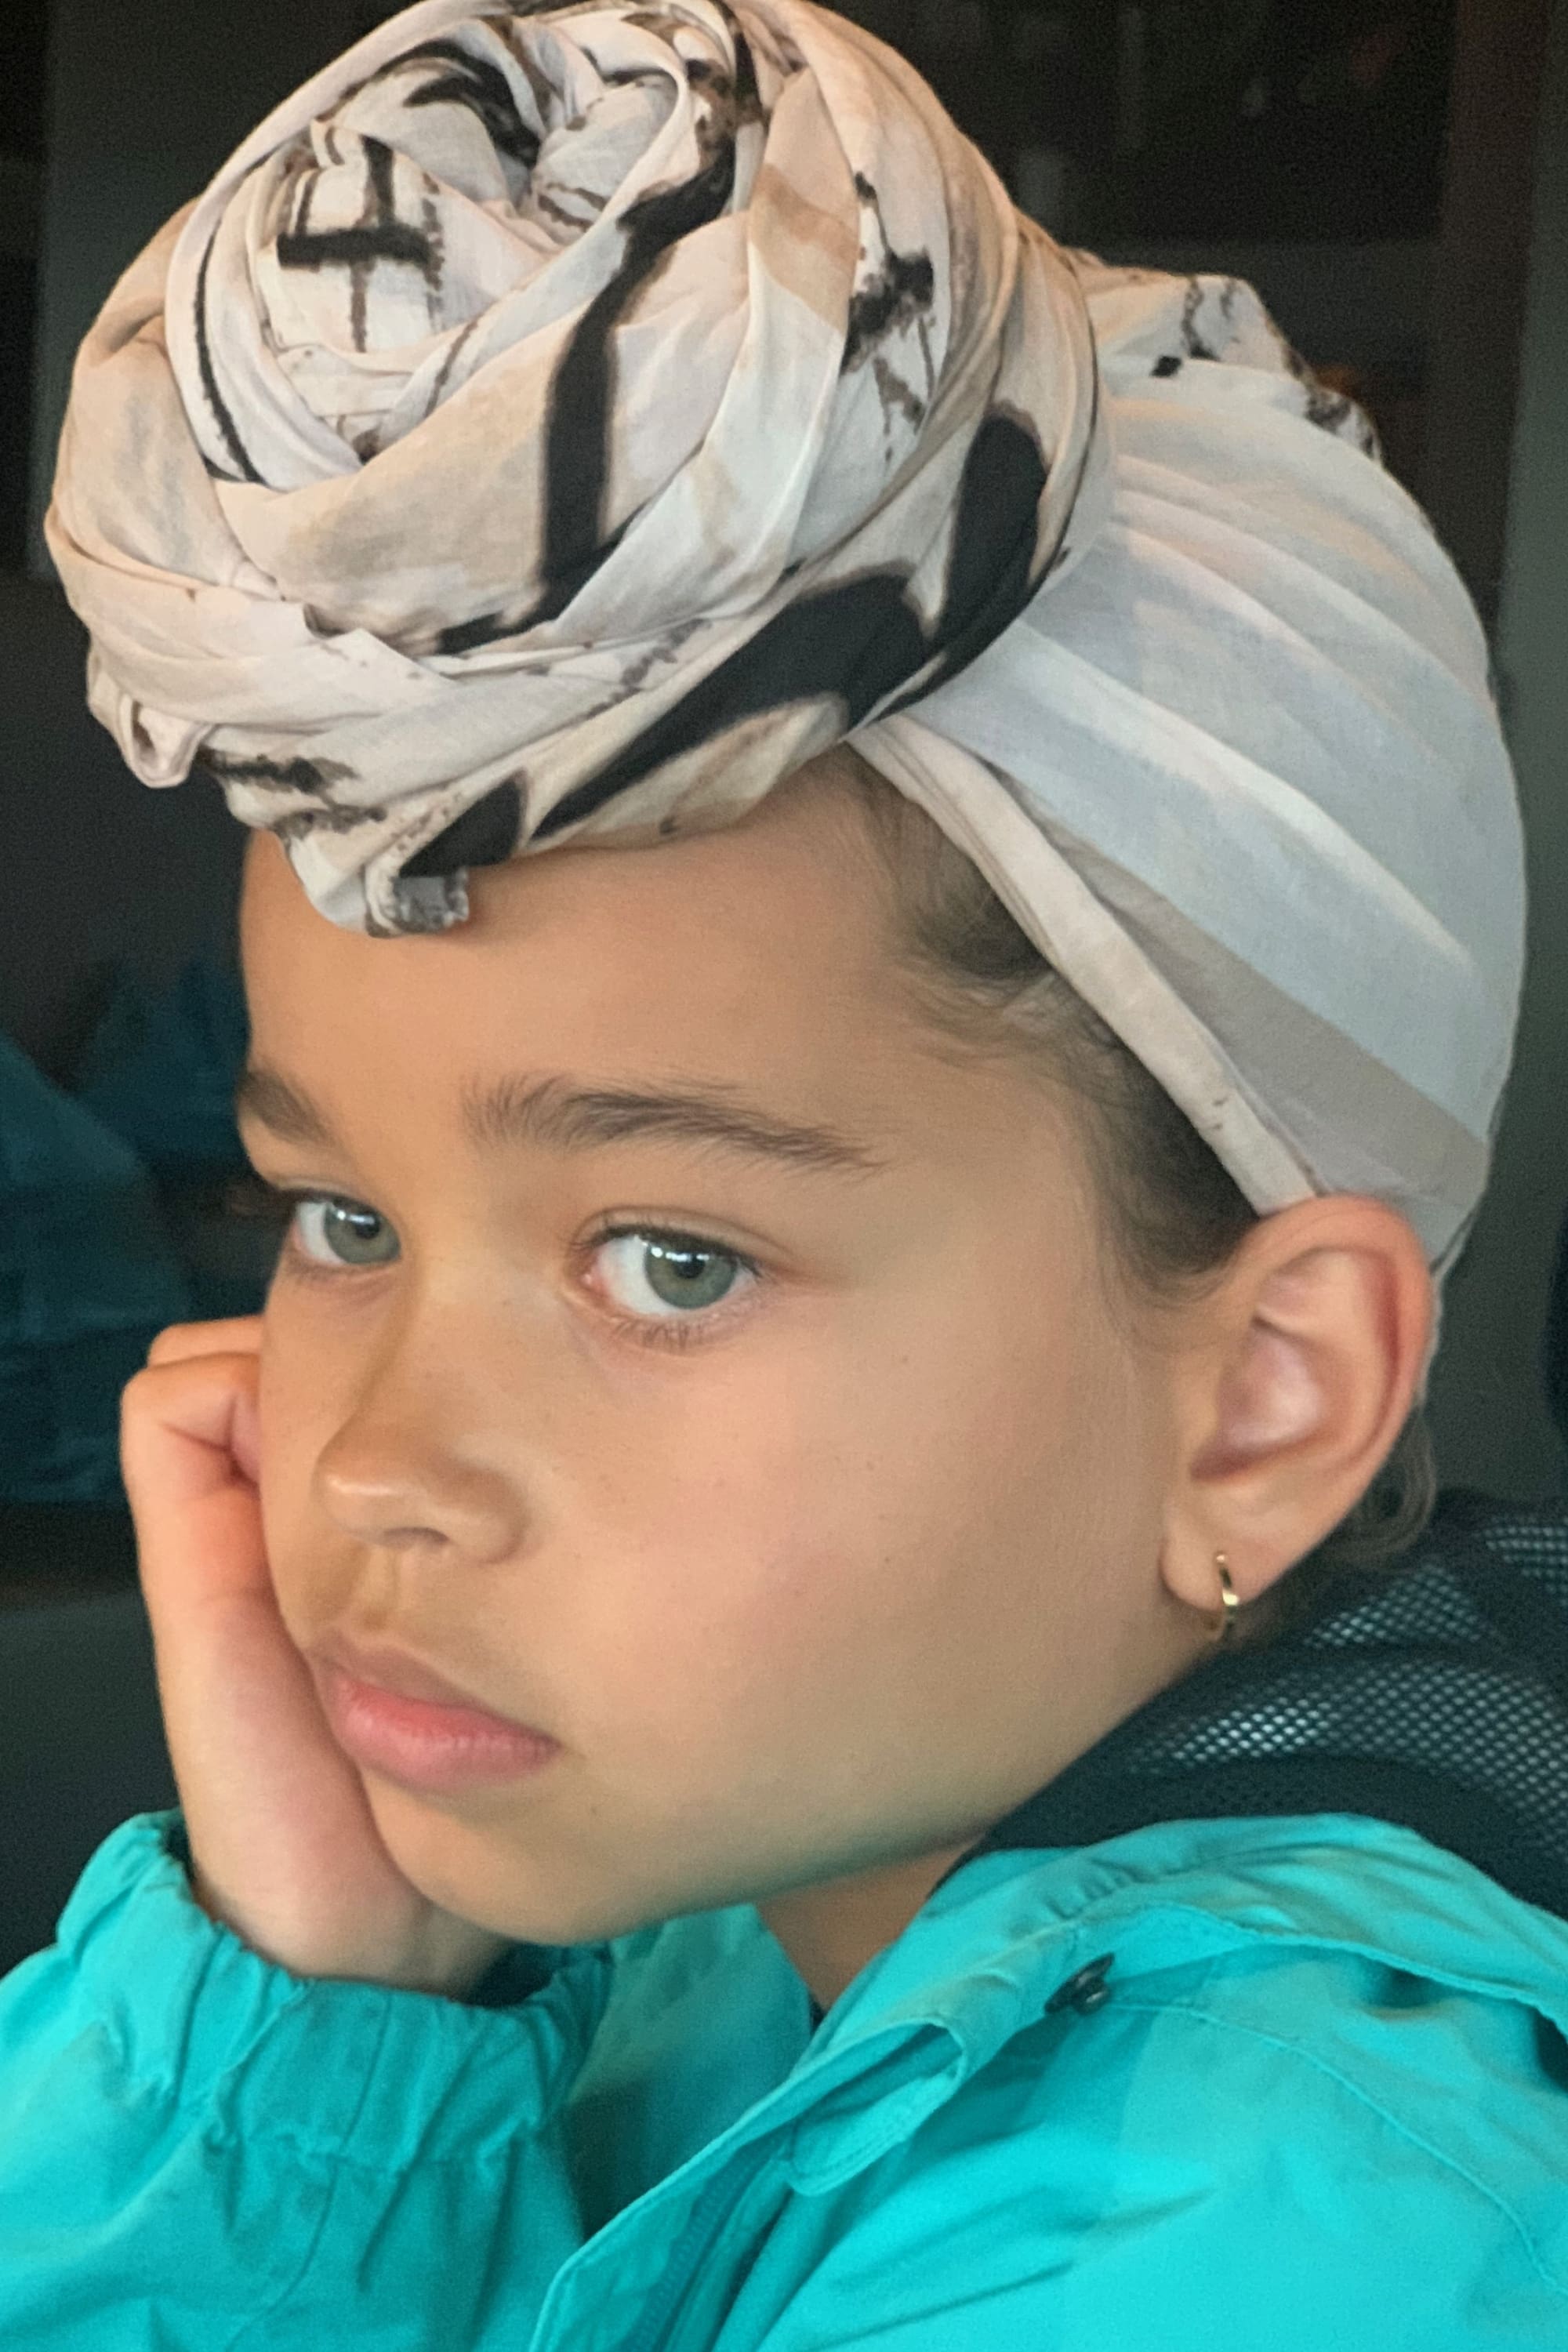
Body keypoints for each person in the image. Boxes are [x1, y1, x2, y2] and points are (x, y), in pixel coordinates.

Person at [4, 2, 1565, 2344]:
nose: (379, 1467)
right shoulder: (744, 1906)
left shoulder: (1272, 2253)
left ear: (1266, 1397)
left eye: (670, 1260)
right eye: (344, 1221)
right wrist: (323, 2026)